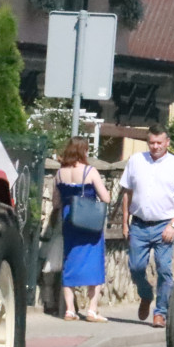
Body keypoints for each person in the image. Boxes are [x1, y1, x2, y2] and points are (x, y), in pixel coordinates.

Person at [120, 123, 174, 329]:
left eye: (159, 143)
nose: (155, 147)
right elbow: (127, 192)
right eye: (151, 143)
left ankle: (160, 312)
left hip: (164, 225)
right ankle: (145, 294)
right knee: (135, 267)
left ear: (167, 142)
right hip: (139, 225)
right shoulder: (136, 161)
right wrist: (125, 221)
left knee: (164, 270)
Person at [50, 137, 111, 322]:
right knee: (95, 263)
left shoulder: (59, 174)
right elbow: (106, 198)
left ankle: (69, 310)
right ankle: (92, 310)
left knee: (69, 261)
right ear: (82, 151)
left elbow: (56, 202)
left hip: (70, 219)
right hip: (89, 220)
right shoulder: (90, 171)